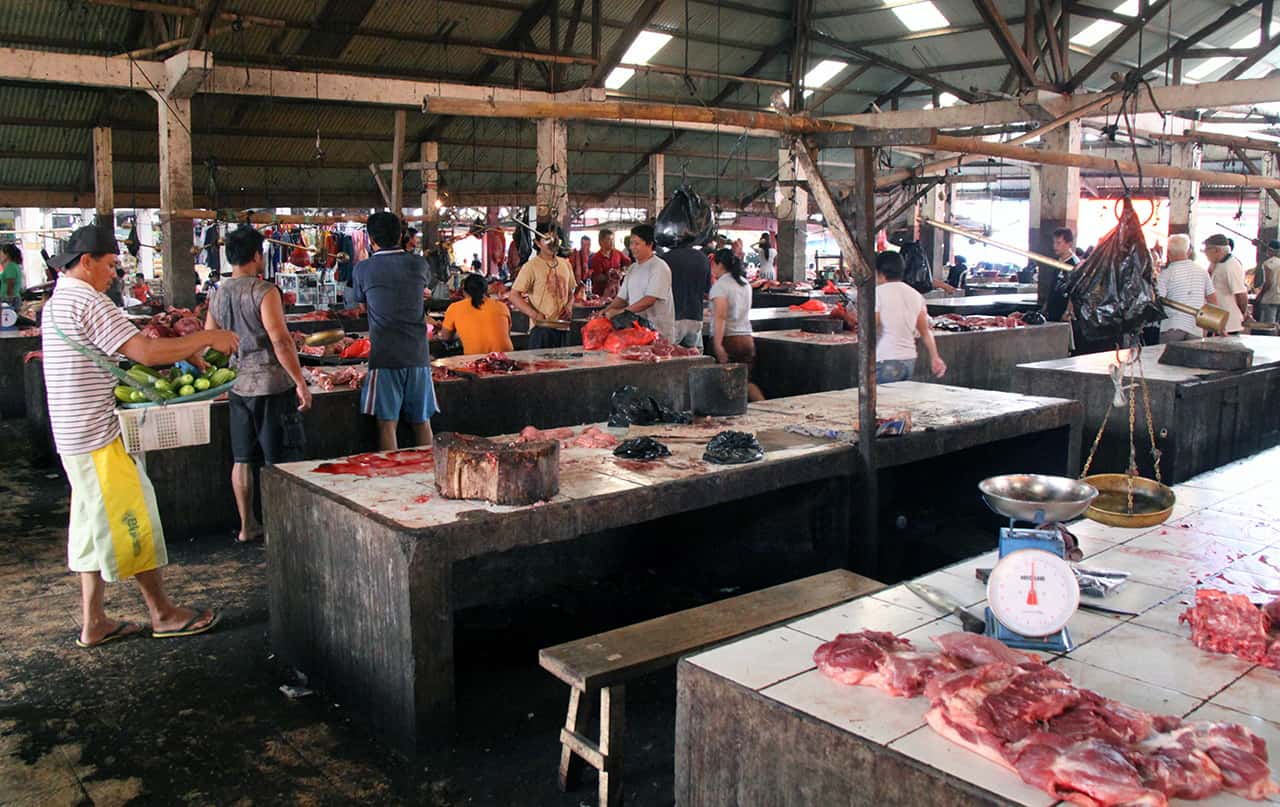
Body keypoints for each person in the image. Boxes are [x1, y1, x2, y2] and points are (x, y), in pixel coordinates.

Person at [41, 224, 238, 647]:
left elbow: (115, 358)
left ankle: (94, 623)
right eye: (111, 265)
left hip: (72, 434)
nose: (114, 274)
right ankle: (163, 613)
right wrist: (205, 338)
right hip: (97, 436)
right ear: (87, 261)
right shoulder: (89, 301)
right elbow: (144, 351)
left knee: (92, 524)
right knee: (133, 519)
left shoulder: (57, 302)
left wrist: (184, 356)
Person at [205, 226, 312, 544]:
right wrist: (300, 382)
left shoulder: (219, 292)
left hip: (239, 386)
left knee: (242, 459)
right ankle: (281, 529)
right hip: (270, 385)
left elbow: (211, 338)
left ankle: (246, 525)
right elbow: (279, 340)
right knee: (278, 461)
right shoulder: (264, 291)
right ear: (256, 255)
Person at [349, 212, 438, 451]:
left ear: (370, 239)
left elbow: (362, 306)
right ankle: (426, 473)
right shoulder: (419, 264)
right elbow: (423, 291)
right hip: (418, 355)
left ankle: (392, 478)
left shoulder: (363, 269)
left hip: (385, 357)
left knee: (387, 424)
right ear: (400, 235)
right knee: (422, 422)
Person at [874, 250, 947, 384]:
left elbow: (871, 326)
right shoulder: (915, 295)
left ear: (880, 273)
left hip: (887, 359)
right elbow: (925, 332)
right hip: (909, 360)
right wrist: (935, 357)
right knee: (898, 402)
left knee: (882, 403)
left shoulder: (878, 293)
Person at [603, 224, 676, 343]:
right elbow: (621, 298)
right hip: (637, 331)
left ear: (650, 244)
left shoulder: (659, 267)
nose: (632, 247)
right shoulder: (632, 268)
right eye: (631, 243)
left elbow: (649, 300)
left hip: (658, 333)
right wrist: (606, 310)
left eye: (637, 243)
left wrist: (621, 312)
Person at [708, 247, 763, 401]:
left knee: (724, 384)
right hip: (746, 339)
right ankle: (765, 408)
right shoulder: (745, 284)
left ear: (719, 265)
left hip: (729, 340)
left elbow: (721, 316)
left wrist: (718, 345)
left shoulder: (720, 286)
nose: (712, 269)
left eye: (713, 265)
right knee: (745, 382)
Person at [510, 223, 576, 349]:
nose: (552, 243)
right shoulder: (531, 266)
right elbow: (514, 296)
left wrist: (569, 306)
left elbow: (571, 292)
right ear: (538, 242)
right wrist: (535, 315)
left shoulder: (565, 264)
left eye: (556, 239)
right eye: (547, 239)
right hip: (541, 329)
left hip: (564, 327)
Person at [1155, 234, 1218, 343]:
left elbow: (1158, 300)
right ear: (1188, 251)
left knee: (1169, 360)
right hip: (1196, 328)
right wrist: (1212, 325)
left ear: (1168, 253)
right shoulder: (1202, 271)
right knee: (1193, 359)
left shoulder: (1166, 274)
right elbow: (1212, 299)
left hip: (1172, 326)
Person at [439, 273, 514, 355]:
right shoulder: (502, 306)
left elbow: (445, 337)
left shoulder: (454, 308)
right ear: (486, 290)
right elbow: (506, 332)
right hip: (507, 359)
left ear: (464, 291)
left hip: (476, 361)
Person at [664, 241, 711, 348]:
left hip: (672, 318)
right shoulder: (703, 258)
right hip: (695, 317)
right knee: (693, 358)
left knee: (669, 357)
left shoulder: (665, 259)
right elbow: (707, 290)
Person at [1203, 233, 1248, 334]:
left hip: (1229, 322)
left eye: (1207, 250)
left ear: (1217, 250)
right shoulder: (1218, 263)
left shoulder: (1231, 266)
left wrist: (1243, 313)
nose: (1205, 254)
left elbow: (1241, 294)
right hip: (1215, 318)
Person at [1043, 227, 1078, 323]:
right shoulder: (1058, 262)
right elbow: (1053, 286)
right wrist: (1046, 306)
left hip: (1064, 314)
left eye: (1058, 243)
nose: (1055, 246)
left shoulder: (1074, 265)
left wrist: (1068, 311)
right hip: (1052, 311)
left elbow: (1075, 291)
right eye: (1054, 242)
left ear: (1069, 244)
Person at [588, 228, 630, 298]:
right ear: (600, 242)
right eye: (609, 240)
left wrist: (622, 272)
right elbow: (598, 277)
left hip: (617, 293)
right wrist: (611, 275)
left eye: (612, 239)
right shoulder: (596, 258)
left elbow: (628, 263)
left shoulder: (617, 253)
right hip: (601, 295)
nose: (612, 242)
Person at [1253, 240, 1280, 325]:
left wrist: (1260, 295)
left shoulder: (1268, 263)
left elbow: (1268, 283)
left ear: (1270, 250)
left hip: (1270, 298)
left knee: (1268, 326)